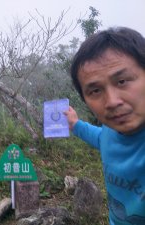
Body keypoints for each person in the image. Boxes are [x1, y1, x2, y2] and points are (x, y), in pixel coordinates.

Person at [64, 27, 145, 225]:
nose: (111, 101)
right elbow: (100, 137)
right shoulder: (110, 132)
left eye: (122, 81)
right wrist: (75, 124)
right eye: (95, 90)